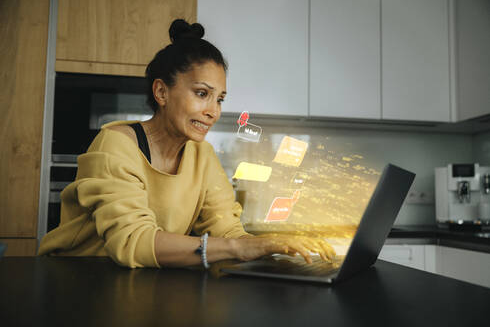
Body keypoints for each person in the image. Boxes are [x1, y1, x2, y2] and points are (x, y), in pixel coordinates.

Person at [38, 19, 335, 268]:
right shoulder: (116, 145)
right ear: (162, 92)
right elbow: (133, 241)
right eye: (202, 94)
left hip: (141, 282)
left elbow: (227, 231)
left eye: (219, 99)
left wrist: (273, 247)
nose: (213, 111)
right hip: (75, 280)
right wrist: (238, 248)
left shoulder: (201, 155)